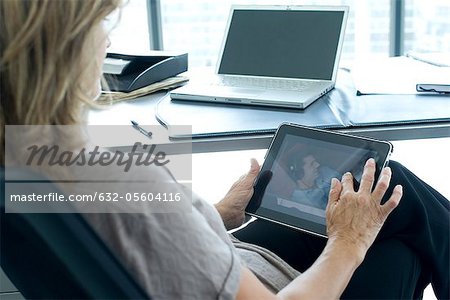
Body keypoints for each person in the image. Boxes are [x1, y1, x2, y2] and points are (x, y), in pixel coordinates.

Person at [1, 1, 448, 299]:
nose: (109, 42)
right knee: (399, 226)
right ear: (62, 51)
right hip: (264, 285)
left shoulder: (25, 163)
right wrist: (349, 242)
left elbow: (136, 238)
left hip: (228, 264)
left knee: (380, 186)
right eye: (100, 25)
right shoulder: (126, 178)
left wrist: (217, 211)